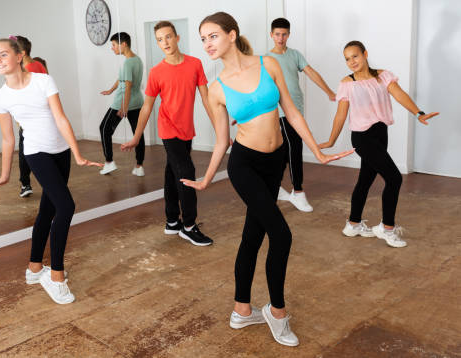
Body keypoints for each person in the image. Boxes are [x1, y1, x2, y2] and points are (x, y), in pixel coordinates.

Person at [182, 12, 352, 346]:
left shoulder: (268, 65)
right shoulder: (216, 90)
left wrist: (317, 151)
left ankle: (242, 311)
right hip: (244, 165)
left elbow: (291, 111)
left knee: (252, 235)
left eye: (212, 36)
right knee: (282, 235)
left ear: (232, 35)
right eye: (203, 39)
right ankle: (276, 313)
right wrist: (205, 180)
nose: (207, 44)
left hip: (275, 161)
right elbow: (221, 141)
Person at [0, 38, 101, 304]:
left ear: (19, 56)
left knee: (48, 210)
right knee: (66, 207)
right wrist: (6, 174)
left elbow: (60, 117)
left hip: (60, 151)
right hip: (36, 152)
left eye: (3, 54)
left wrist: (77, 152)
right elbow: (8, 139)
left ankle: (35, 268)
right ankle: (57, 276)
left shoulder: (43, 81)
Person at [319, 40, 438, 248]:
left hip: (381, 133)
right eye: (347, 59)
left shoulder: (383, 76)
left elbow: (399, 94)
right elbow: (340, 115)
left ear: (365, 54)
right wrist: (331, 140)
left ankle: (353, 224)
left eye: (355, 56)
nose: (351, 61)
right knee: (394, 178)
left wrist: (418, 113)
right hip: (363, 137)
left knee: (365, 179)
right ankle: (387, 228)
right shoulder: (347, 83)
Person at [121, 21, 216, 246]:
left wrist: (221, 130)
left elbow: (207, 98)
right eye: (160, 39)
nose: (165, 42)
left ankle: (172, 221)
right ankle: (189, 226)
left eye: (168, 37)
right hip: (168, 129)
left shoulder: (195, 64)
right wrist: (136, 137)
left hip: (186, 129)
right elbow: (147, 107)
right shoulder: (156, 72)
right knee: (186, 171)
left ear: (177, 37)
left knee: (172, 173)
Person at [266, 18, 337, 212]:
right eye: (277, 34)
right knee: (294, 148)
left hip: (297, 109)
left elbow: (312, 73)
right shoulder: (266, 59)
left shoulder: (295, 55)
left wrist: (329, 91)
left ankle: (273, 186)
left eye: (284, 34)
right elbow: (257, 87)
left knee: (284, 151)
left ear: (289, 35)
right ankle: (298, 192)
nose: (281, 38)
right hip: (280, 111)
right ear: (271, 35)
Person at [99, 32, 146, 176]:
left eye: (113, 45)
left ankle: (109, 162)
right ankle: (139, 167)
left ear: (123, 44)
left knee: (104, 128)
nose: (112, 48)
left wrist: (124, 107)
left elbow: (127, 85)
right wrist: (110, 90)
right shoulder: (137, 60)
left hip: (122, 103)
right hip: (137, 102)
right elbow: (121, 79)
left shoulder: (127, 62)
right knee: (137, 134)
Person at [14, 35, 48, 197]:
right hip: (41, 118)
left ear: (21, 52)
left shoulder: (22, 71)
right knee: (40, 151)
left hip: (31, 120)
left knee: (25, 153)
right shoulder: (39, 65)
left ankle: (26, 184)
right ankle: (39, 182)